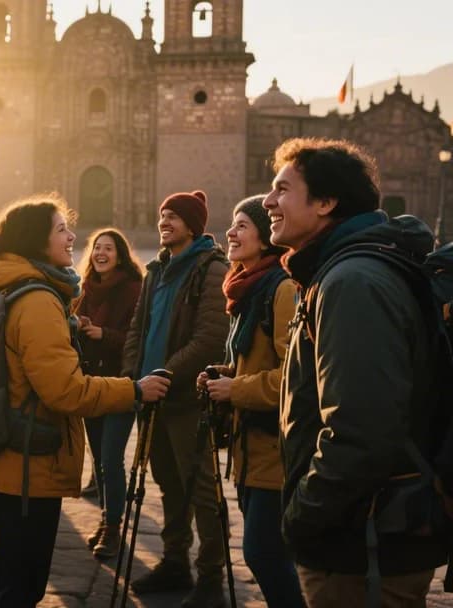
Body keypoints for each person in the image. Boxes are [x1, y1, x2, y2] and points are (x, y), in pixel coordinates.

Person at [262, 138, 451, 607]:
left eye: (282, 189)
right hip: (369, 530)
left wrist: (303, 516)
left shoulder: (352, 283)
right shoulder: (343, 273)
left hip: (363, 539)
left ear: (326, 203)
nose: (268, 201)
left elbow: (361, 429)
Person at [0, 195, 170, 607]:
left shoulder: (3, 284)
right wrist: (133, 389)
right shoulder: (38, 299)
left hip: (0, 455)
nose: (72, 236)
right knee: (21, 584)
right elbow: (66, 390)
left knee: (4, 572)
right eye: (61, 229)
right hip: (27, 461)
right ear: (35, 240)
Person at [121, 190, 231, 607]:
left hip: (186, 397)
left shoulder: (211, 268)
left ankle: (210, 578)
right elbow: (137, 327)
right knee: (167, 483)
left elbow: (209, 340)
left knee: (201, 490)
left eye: (174, 216)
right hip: (153, 398)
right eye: (162, 214)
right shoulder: (156, 270)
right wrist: (135, 375)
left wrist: (165, 373)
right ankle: (174, 562)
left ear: (193, 224)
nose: (164, 221)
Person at [198, 196, 305, 607]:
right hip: (250, 450)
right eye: (232, 223)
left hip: (274, 452)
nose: (230, 232)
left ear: (265, 237)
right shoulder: (247, 290)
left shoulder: (278, 290)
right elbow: (257, 363)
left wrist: (235, 389)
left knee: (263, 554)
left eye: (242, 225)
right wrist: (224, 375)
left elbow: (295, 378)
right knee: (271, 556)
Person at [74, 228, 144, 559]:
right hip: (91, 384)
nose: (101, 253)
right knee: (99, 456)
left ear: (120, 255)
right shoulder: (85, 289)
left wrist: (103, 333)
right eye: (97, 248)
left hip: (120, 382)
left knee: (110, 458)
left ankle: (114, 529)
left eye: (109, 248)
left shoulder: (133, 289)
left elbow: (135, 337)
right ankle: (107, 520)